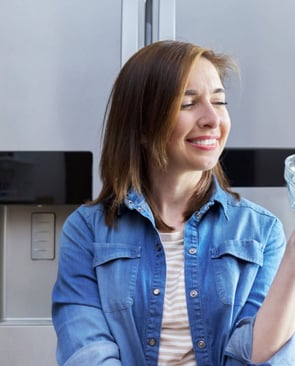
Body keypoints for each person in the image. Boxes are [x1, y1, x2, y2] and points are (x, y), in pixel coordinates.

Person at [51, 40, 295, 365]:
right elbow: (87, 354)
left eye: (219, 102)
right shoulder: (86, 232)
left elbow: (259, 357)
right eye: (187, 103)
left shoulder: (262, 232)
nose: (212, 119)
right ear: (141, 125)